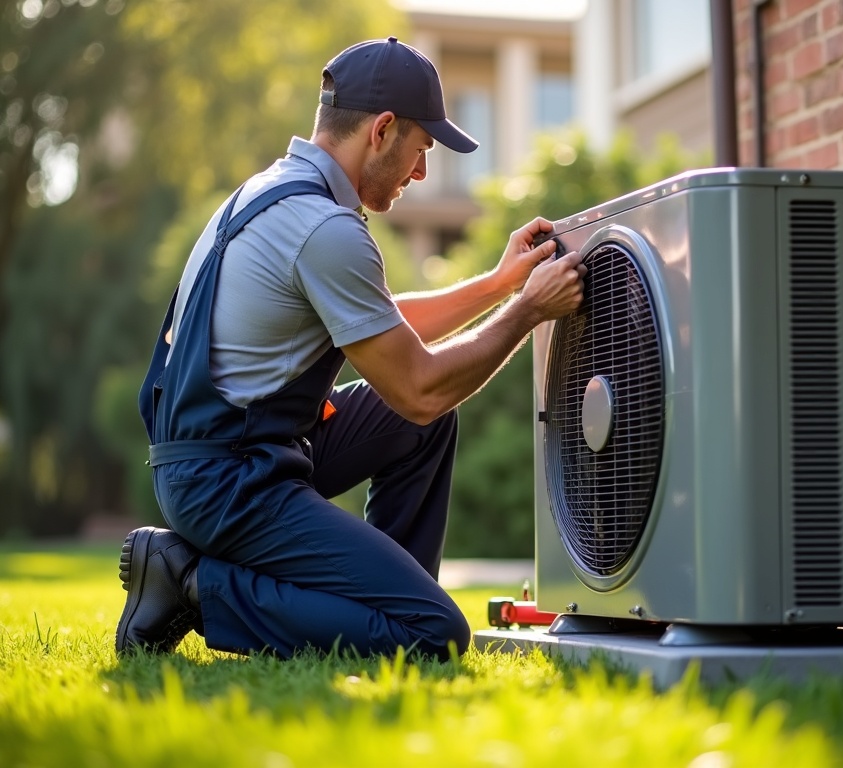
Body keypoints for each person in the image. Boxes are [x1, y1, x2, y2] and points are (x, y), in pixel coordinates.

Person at [114, 37, 585, 660]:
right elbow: (417, 388)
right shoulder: (324, 228)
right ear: (382, 130)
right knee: (434, 633)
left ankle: (392, 597)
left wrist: (500, 284)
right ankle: (192, 585)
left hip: (226, 455)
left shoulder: (272, 193)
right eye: (422, 150)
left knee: (425, 427)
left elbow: (381, 324)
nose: (422, 172)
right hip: (227, 480)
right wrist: (526, 312)